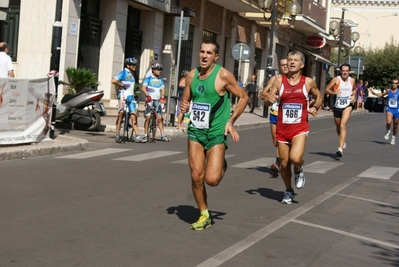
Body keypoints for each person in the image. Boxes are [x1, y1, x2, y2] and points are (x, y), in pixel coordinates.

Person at [180, 39, 248, 230]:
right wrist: (183, 108)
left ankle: (221, 165)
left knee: (212, 180)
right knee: (196, 175)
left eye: (209, 53)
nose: (204, 55)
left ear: (215, 56)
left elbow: (243, 97)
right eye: (202, 51)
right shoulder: (192, 76)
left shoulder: (223, 75)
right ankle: (204, 214)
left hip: (217, 131)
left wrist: (231, 121)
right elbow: (186, 100)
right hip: (195, 131)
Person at [265, 50, 322, 205]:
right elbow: (267, 101)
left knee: (295, 158)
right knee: (284, 163)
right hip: (282, 128)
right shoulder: (279, 81)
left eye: (295, 60)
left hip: (300, 127)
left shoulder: (308, 82)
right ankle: (289, 190)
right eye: (290, 59)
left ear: (302, 64)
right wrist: (269, 100)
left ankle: (298, 168)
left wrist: (315, 107)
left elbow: (319, 96)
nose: (291, 62)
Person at [261, 58, 289, 175]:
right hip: (274, 113)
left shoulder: (293, 80)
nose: (285, 67)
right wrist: (272, 95)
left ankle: (278, 163)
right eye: (282, 65)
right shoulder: (274, 79)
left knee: (282, 140)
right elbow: (263, 94)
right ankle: (282, 160)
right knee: (275, 141)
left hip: (286, 116)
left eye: (287, 64)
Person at [325, 64, 356, 158]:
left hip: (348, 105)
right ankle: (343, 140)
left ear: (349, 72)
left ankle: (340, 149)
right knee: (338, 127)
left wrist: (353, 96)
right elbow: (327, 90)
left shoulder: (352, 80)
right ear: (340, 71)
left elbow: (354, 89)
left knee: (343, 125)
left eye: (347, 71)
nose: (345, 72)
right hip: (337, 105)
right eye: (343, 70)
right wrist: (333, 92)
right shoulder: (336, 79)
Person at [111, 57, 144, 143]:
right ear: (128, 65)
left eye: (135, 65)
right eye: (133, 65)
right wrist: (120, 84)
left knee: (134, 117)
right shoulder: (123, 73)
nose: (135, 66)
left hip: (131, 97)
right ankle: (117, 134)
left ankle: (137, 136)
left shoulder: (133, 74)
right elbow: (113, 80)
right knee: (120, 116)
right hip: (123, 96)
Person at [141, 62, 170, 142]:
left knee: (160, 118)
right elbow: (143, 88)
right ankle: (146, 135)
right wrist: (147, 95)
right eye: (157, 70)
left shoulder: (161, 80)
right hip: (150, 99)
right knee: (147, 117)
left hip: (157, 100)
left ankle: (163, 135)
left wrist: (163, 97)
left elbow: (163, 89)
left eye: (160, 70)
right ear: (153, 70)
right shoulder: (148, 79)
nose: (159, 71)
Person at [370, 78, 399, 145]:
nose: (394, 84)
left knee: (395, 125)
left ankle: (393, 136)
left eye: (396, 83)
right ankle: (388, 131)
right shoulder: (388, 90)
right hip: (389, 109)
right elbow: (381, 95)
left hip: (396, 110)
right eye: (393, 83)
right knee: (388, 122)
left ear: (398, 84)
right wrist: (374, 93)